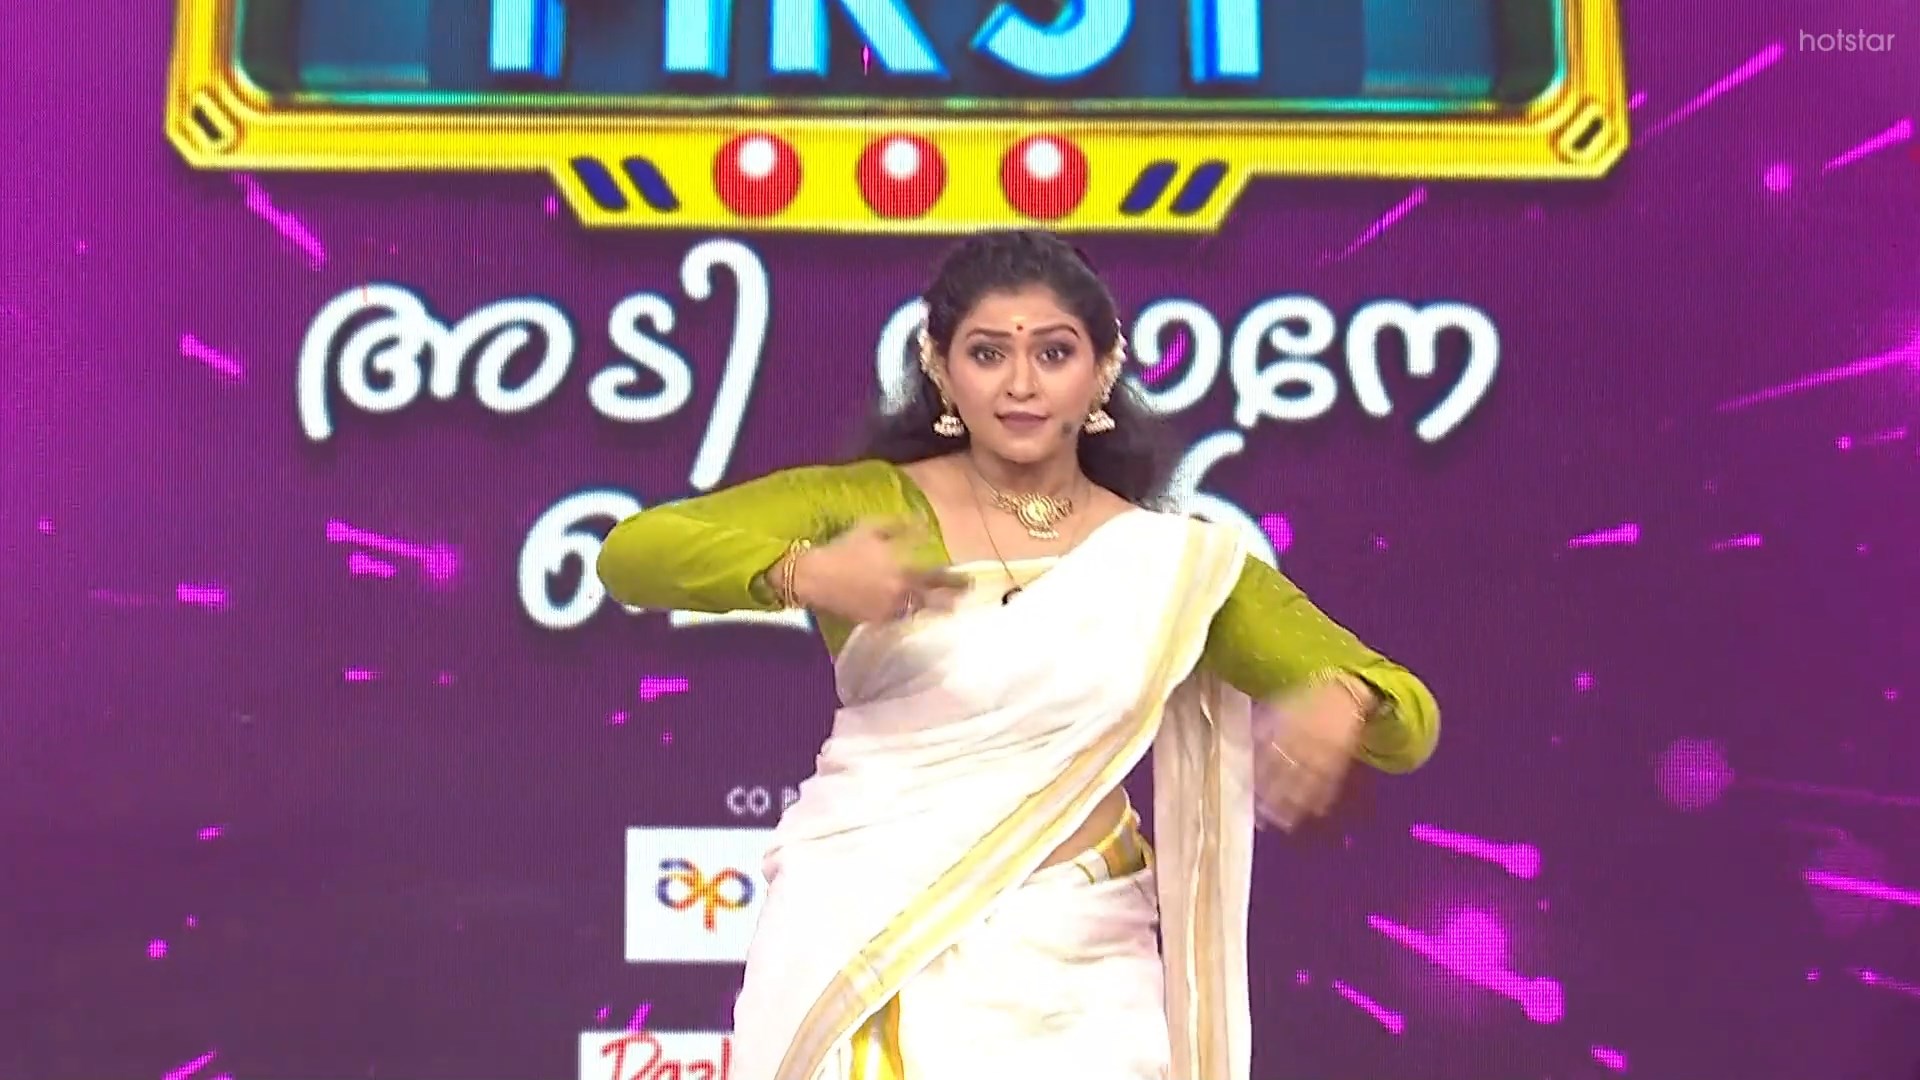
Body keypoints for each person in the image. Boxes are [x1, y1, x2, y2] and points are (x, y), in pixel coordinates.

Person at [595, 229, 1440, 1080]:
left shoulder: (1168, 563)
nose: (1022, 384)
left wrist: (1345, 701)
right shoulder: (870, 503)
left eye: (1055, 353)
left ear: (1103, 369)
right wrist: (805, 572)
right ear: (940, 366)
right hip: (869, 922)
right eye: (988, 353)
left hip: (1082, 964)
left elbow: (1403, 711)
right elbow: (632, 553)